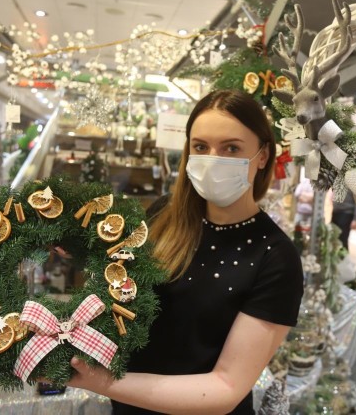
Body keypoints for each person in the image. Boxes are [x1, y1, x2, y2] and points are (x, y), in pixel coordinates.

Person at [67, 89, 304, 414]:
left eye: (231, 148)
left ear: (262, 155)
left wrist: (104, 382)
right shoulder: (166, 215)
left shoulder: (275, 257)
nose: (212, 159)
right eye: (201, 147)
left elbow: (225, 387)